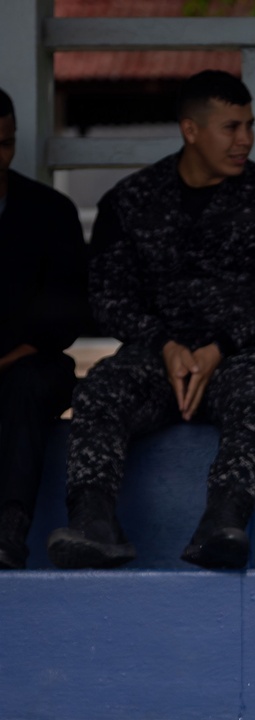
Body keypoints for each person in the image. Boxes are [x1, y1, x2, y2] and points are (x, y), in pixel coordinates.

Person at [48, 70, 255, 571]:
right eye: (230, 127)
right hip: (156, 362)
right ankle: (93, 523)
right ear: (190, 130)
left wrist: (219, 345)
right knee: (100, 389)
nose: (245, 140)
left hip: (241, 359)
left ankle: (222, 522)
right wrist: (165, 344)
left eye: (249, 126)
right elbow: (107, 295)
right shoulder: (130, 202)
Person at [0, 87, 88, 569]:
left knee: (29, 383)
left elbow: (68, 312)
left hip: (31, 362)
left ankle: (10, 532)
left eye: (5, 144)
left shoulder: (48, 211)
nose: (0, 157)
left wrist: (11, 356)